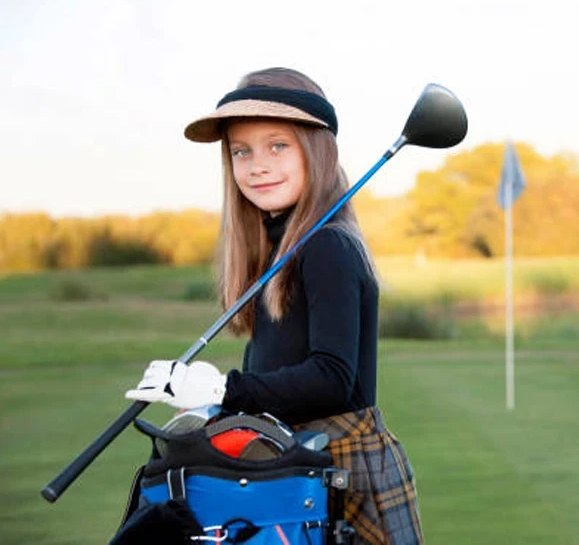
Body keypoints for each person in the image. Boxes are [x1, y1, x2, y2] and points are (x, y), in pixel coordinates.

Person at [125, 67, 424, 544]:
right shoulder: (277, 247)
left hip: (343, 469)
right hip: (297, 466)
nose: (257, 165)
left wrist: (224, 390)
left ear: (317, 149)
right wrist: (213, 408)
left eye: (277, 145)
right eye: (241, 151)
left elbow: (330, 378)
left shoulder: (328, 246)